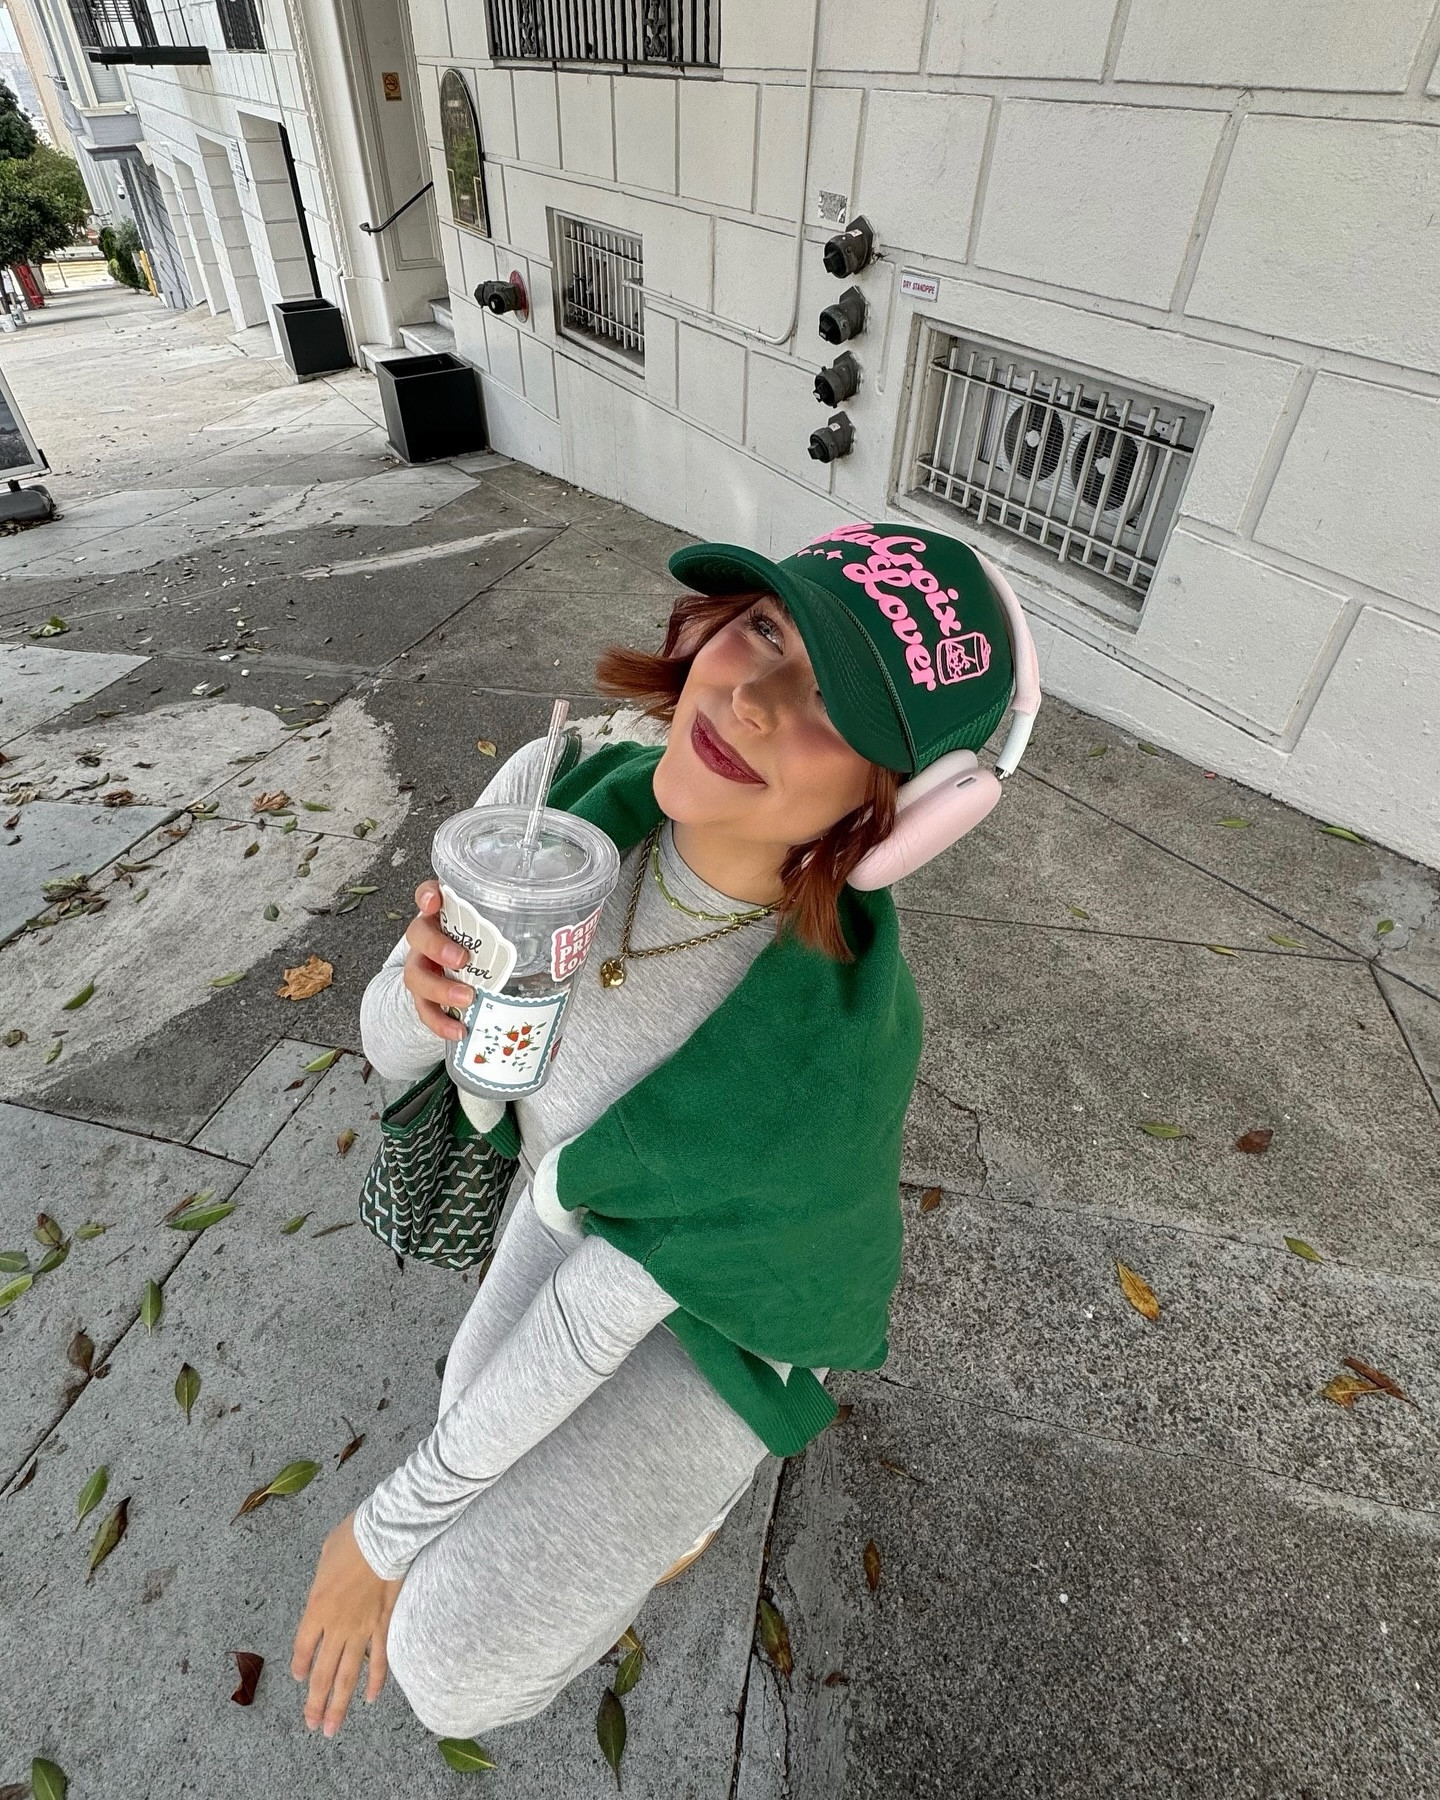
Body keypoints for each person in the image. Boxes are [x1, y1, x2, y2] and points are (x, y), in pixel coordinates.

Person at [290, 522, 1039, 1742]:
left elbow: (596, 1311)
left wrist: (378, 1536)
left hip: (719, 1310)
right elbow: (393, 1048)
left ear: (900, 813)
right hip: (575, 1204)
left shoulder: (818, 1048)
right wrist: (417, 998)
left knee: (447, 1665)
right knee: (473, 1416)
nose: (749, 697)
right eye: (764, 629)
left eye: (831, 707)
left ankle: (691, 1505)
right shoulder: (558, 796)